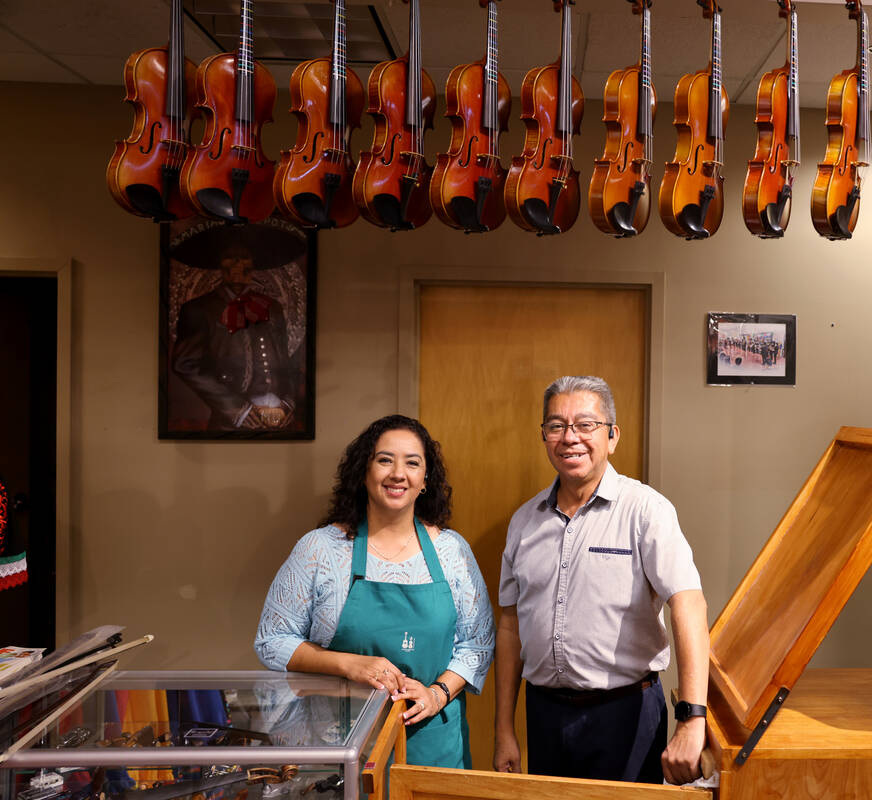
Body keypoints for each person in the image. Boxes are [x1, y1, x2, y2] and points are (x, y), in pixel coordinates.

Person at [492, 376, 709, 785]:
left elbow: (688, 603)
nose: (570, 437)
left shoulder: (646, 511)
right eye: (556, 426)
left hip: (626, 714)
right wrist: (504, 728)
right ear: (544, 436)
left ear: (612, 437)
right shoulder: (524, 522)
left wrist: (692, 718)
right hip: (544, 715)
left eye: (585, 425)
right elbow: (510, 625)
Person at [255, 415, 494, 768]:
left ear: (425, 479)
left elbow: (478, 643)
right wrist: (349, 664)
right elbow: (271, 640)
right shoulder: (320, 550)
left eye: (412, 463)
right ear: (363, 472)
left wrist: (437, 693)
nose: (398, 473)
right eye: (385, 460)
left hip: (431, 745)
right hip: (340, 742)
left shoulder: (452, 552)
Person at [170, 222, 306, 432]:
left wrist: (287, 404)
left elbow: (288, 363)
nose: (237, 265)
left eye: (244, 257)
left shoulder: (272, 307)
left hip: (280, 420)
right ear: (219, 264)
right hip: (231, 422)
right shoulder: (199, 309)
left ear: (253, 264)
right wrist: (236, 409)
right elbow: (185, 365)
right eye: (230, 257)